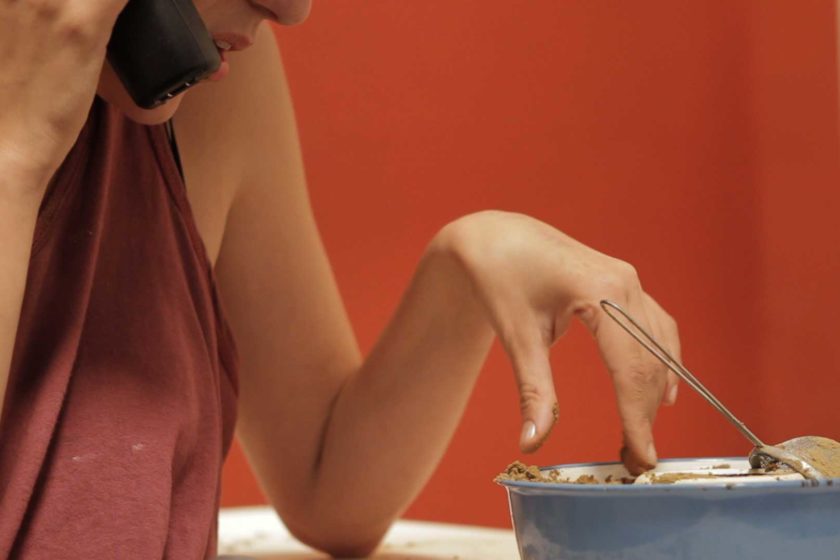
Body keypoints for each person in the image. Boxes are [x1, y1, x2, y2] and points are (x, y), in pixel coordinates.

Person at [0, 1, 681, 557]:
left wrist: (465, 273)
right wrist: (17, 152)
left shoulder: (211, 84)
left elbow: (326, 489)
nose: (290, 11)